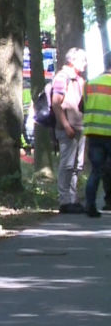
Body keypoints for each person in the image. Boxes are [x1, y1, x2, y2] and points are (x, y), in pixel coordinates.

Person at [52, 47, 87, 214]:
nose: (85, 64)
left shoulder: (79, 80)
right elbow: (56, 103)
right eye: (83, 60)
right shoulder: (62, 77)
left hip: (80, 127)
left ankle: (73, 199)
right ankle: (64, 200)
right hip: (68, 128)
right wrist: (66, 125)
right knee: (67, 165)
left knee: (77, 165)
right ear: (72, 61)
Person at [82, 51, 111, 217]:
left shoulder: (89, 84)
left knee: (96, 171)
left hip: (94, 134)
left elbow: (82, 107)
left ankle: (90, 205)